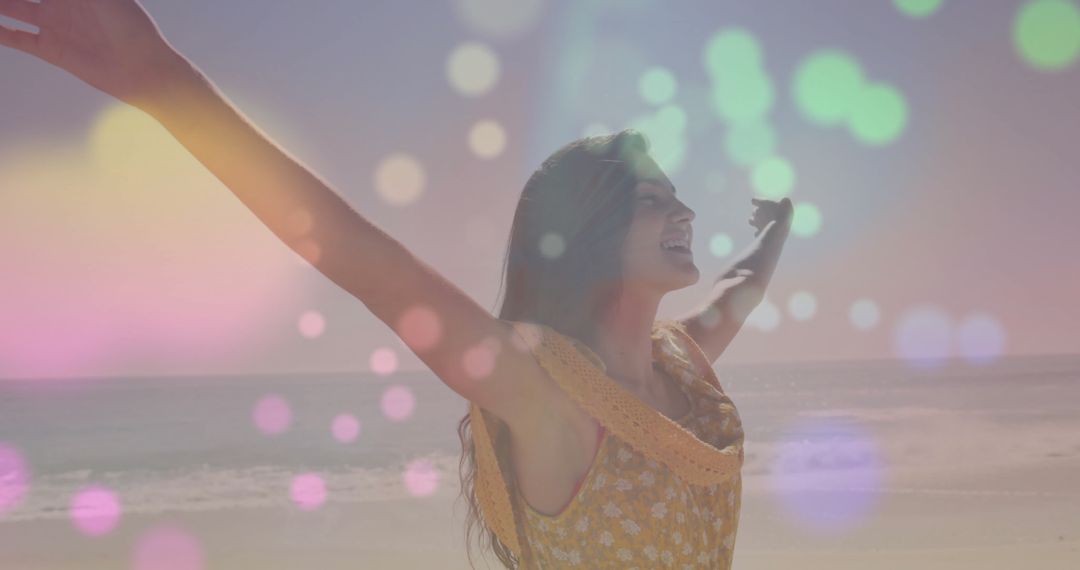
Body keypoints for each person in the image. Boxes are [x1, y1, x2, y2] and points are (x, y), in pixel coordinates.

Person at [0, 1, 794, 567]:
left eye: (673, 194)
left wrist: (778, 229)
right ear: (588, 231)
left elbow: (741, 291)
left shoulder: (680, 365)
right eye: (651, 200)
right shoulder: (543, 395)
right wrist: (157, 79)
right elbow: (363, 263)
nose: (682, 208)